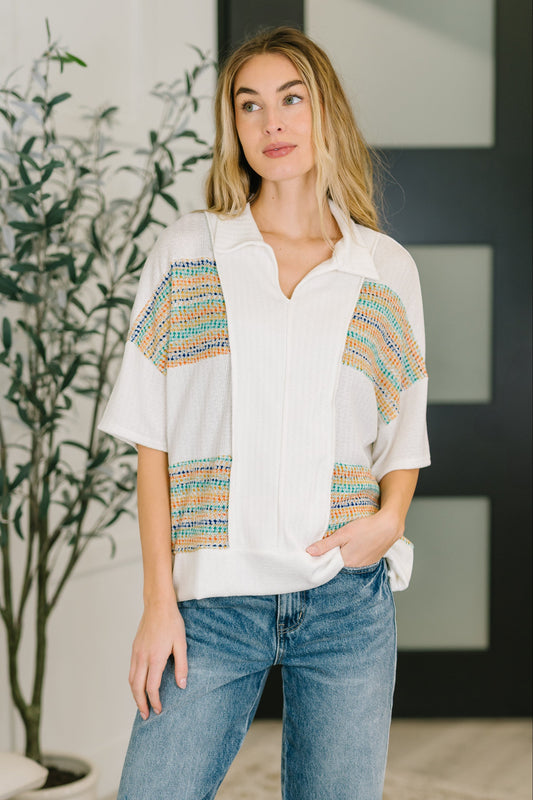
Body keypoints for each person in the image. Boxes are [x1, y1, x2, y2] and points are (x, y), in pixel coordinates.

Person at [98, 25, 430, 800]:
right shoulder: (190, 251)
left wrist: (390, 520)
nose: (270, 123)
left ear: (325, 113)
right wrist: (158, 604)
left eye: (290, 100)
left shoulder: (382, 268)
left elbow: (403, 429)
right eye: (248, 106)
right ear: (233, 127)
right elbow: (152, 439)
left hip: (345, 600)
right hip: (212, 600)